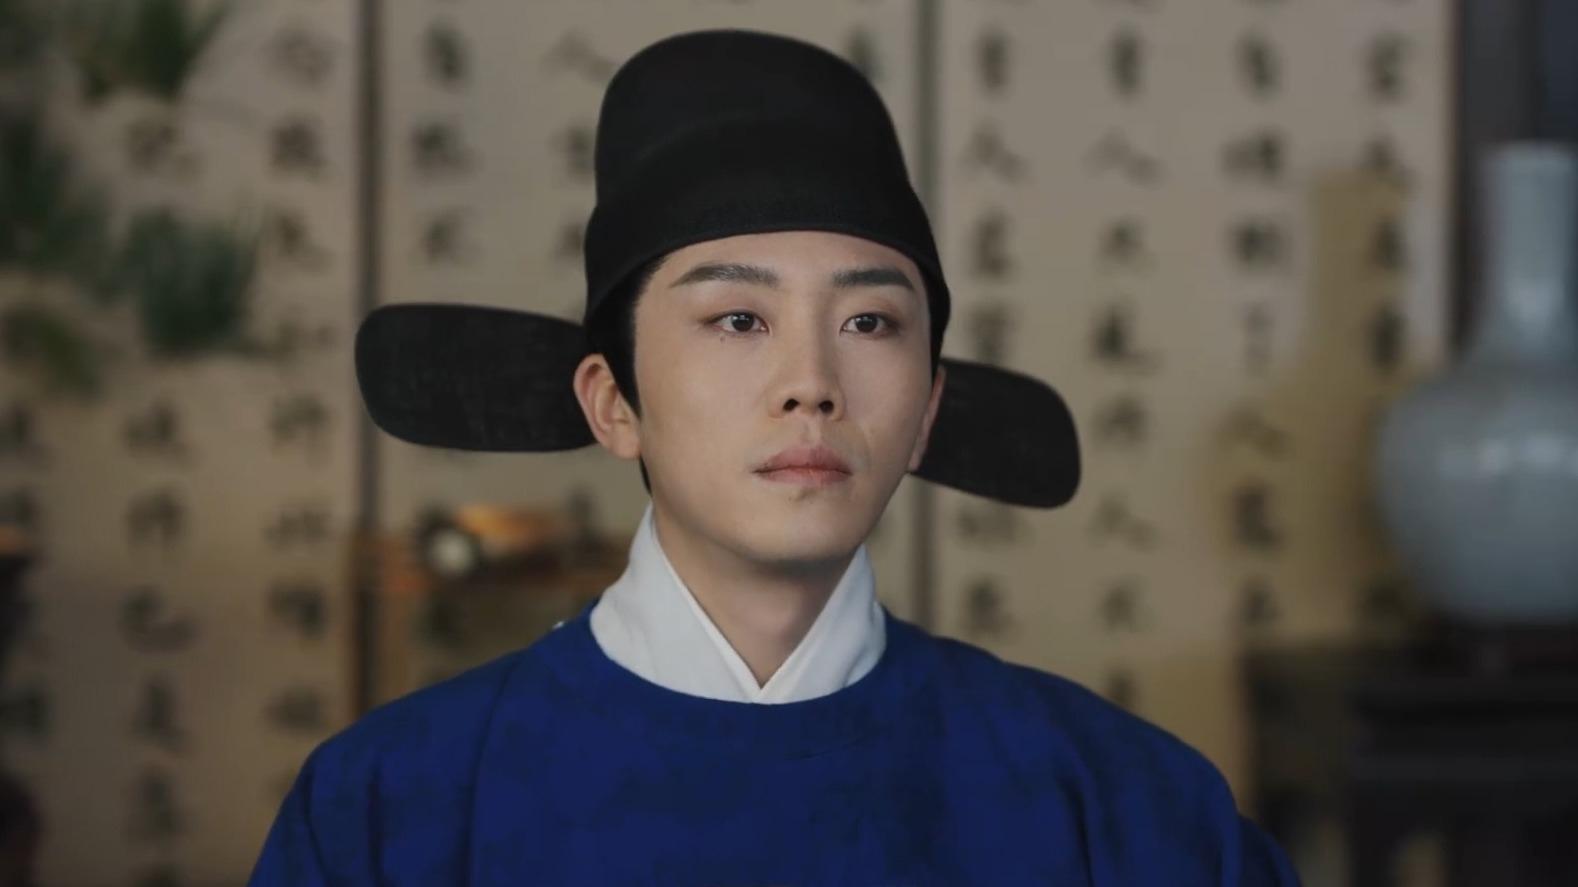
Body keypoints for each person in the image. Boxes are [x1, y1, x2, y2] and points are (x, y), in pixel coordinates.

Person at [248, 28, 1300, 886]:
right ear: (613, 401)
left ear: (927, 410)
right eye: (739, 318)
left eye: (871, 322)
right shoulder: (392, 806)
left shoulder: (1121, 802)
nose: (811, 382)